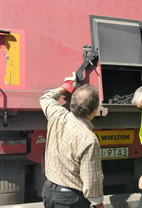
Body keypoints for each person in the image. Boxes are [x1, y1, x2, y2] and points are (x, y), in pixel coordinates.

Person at [40, 72, 104, 208]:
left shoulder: (57, 115)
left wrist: (66, 87)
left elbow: (45, 98)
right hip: (70, 200)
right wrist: (99, 204)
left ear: (72, 103)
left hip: (48, 191)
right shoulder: (89, 139)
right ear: (93, 111)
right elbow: (92, 180)